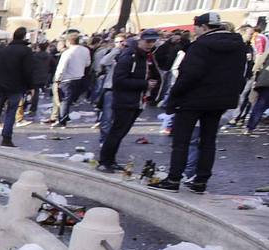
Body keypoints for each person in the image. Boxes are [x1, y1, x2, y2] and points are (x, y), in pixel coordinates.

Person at [153, 12, 246, 193]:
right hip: (220, 100)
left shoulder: (200, 45)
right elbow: (242, 74)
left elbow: (190, 74)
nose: (194, 31)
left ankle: (173, 179)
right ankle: (201, 181)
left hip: (193, 99)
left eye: (195, 27)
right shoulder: (238, 46)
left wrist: (174, 97)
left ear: (203, 27)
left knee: (181, 140)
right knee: (208, 140)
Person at [97, 30, 156, 173]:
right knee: (116, 132)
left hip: (136, 100)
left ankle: (110, 160)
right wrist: (144, 84)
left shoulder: (145, 57)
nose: (150, 44)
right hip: (125, 100)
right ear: (140, 40)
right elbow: (119, 80)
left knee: (120, 132)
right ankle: (105, 161)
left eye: (153, 42)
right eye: (148, 41)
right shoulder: (130, 56)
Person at [0, 28, 31, 147]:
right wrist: (30, 86)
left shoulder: (2, 50)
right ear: (24, 37)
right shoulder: (26, 51)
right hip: (15, 87)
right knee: (11, 112)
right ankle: (6, 138)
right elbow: (28, 71)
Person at [52, 32, 91, 127]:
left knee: (64, 100)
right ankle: (64, 116)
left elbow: (61, 67)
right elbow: (87, 64)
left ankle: (62, 120)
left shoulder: (68, 52)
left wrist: (57, 79)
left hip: (66, 78)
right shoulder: (85, 50)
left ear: (68, 41)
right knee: (69, 99)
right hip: (78, 77)